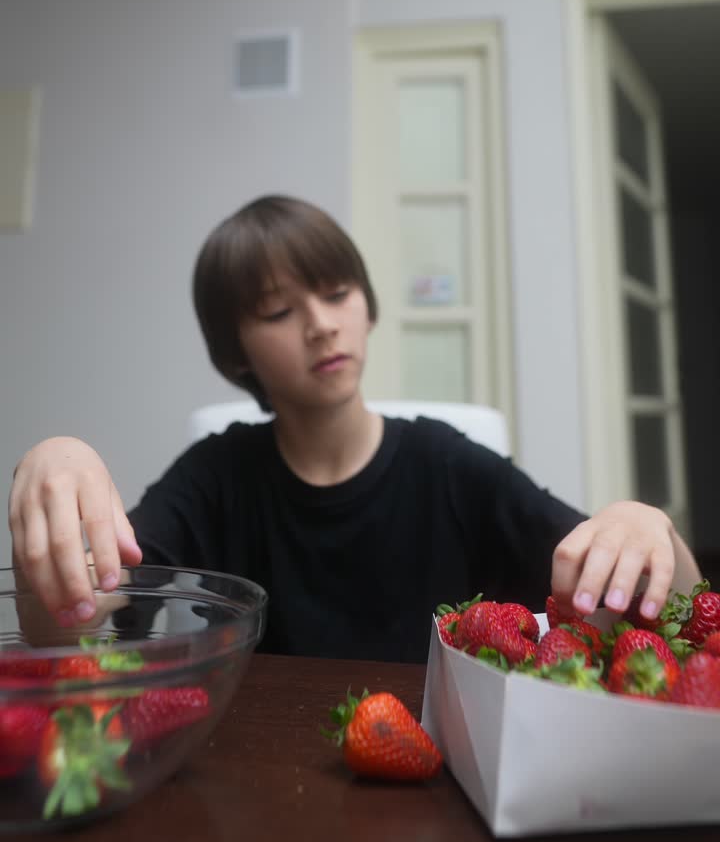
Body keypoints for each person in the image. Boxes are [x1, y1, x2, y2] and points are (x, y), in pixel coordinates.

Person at [8, 195, 701, 662]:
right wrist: (54, 471)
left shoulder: (447, 464)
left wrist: (649, 530)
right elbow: (79, 633)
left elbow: (658, 603)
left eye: (337, 293)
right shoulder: (217, 476)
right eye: (278, 311)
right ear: (234, 353)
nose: (320, 323)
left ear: (366, 308)